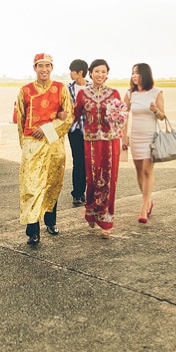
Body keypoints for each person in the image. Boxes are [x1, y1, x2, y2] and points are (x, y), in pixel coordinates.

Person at [17, 53, 73, 245]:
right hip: (32, 144)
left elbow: (68, 117)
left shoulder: (61, 89)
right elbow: (21, 120)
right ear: (34, 68)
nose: (44, 69)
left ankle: (51, 221)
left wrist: (47, 129)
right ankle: (33, 230)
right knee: (32, 185)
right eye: (40, 66)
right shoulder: (25, 91)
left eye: (47, 66)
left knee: (51, 182)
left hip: (53, 143)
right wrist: (25, 144)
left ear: (52, 67)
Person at [73, 59, 127, 238]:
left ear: (107, 74)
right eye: (97, 71)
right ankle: (91, 211)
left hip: (110, 144)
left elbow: (121, 119)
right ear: (90, 73)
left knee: (109, 180)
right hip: (90, 142)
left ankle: (106, 221)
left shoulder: (114, 94)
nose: (100, 75)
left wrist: (118, 119)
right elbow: (73, 117)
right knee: (92, 179)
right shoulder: (83, 94)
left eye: (104, 72)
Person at [122, 63, 166, 224]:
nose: (134, 76)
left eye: (137, 73)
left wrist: (155, 110)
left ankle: (144, 206)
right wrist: (123, 137)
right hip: (135, 136)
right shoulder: (130, 94)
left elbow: (162, 116)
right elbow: (123, 116)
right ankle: (148, 200)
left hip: (150, 136)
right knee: (139, 170)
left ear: (145, 75)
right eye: (133, 73)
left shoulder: (156, 92)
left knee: (148, 170)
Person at [67, 58, 89, 207]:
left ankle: (84, 191)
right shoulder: (68, 88)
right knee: (78, 160)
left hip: (90, 131)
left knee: (88, 162)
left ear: (80, 72)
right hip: (74, 130)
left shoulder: (92, 88)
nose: (70, 74)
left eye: (72, 71)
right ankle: (77, 193)